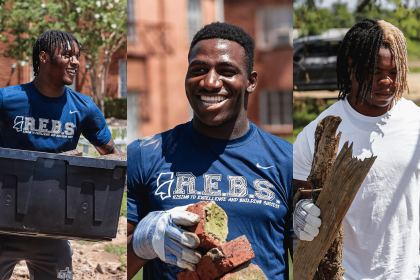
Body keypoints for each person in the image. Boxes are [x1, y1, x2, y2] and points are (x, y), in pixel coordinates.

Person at [127, 22, 293, 280]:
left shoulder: (286, 161)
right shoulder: (144, 155)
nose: (210, 82)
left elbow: (310, 265)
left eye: (226, 71)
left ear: (250, 82)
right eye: (199, 69)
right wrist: (141, 244)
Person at [293, 19, 420, 279]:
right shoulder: (319, 133)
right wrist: (299, 211)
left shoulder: (415, 123)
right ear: (351, 65)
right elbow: (297, 198)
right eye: (376, 72)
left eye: (395, 72)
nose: (387, 81)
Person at [0, 30, 121, 280]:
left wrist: (84, 166)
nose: (75, 62)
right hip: (3, 224)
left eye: (76, 56)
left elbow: (114, 158)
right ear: (43, 57)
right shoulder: (7, 100)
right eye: (67, 55)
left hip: (53, 229)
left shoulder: (84, 108)